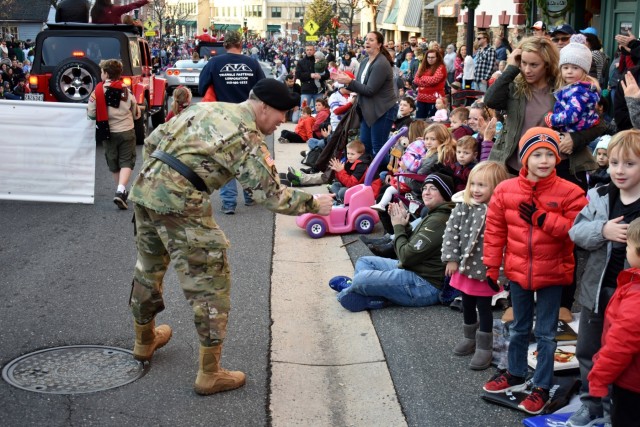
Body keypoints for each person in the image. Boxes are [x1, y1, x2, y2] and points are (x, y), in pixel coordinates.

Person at [126, 78, 333, 396]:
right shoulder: (247, 136)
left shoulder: (208, 108)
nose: (282, 122)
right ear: (263, 106)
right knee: (210, 284)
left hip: (146, 188)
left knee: (148, 267)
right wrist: (314, 204)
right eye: (281, 113)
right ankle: (210, 374)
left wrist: (159, 180)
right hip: (182, 201)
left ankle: (144, 340)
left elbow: (154, 141)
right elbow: (269, 195)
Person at [482, 128, 587, 415]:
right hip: (518, 272)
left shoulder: (570, 192)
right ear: (524, 158)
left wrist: (543, 218)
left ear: (557, 158)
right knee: (518, 328)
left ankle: (541, 384)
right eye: (536, 154)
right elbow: (494, 231)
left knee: (546, 334)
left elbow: (577, 231)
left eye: (549, 155)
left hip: (553, 273)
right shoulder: (505, 190)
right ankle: (515, 373)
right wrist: (492, 265)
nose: (544, 161)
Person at [568, 129, 640, 427]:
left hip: (632, 296)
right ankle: (591, 402)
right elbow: (575, 232)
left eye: (629, 163)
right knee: (588, 349)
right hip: (597, 290)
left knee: (622, 353)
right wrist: (602, 231)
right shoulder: (599, 195)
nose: (619, 170)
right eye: (613, 163)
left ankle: (615, 407)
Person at [330, 172, 456, 312]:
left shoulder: (439, 220)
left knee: (362, 279)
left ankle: (349, 289)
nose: (426, 192)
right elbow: (412, 247)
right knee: (364, 262)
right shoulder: (435, 213)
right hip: (414, 270)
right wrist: (405, 226)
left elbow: (405, 257)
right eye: (425, 188)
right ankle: (373, 297)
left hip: (424, 285)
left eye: (433, 188)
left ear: (445, 193)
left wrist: (398, 227)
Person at [443, 161, 508, 370]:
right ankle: (469, 336)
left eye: (482, 186)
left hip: (487, 270)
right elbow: (451, 233)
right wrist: (451, 258)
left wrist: (501, 271)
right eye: (473, 184)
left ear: (496, 188)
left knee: (485, 307)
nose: (475, 190)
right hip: (464, 267)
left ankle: (484, 346)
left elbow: (506, 244)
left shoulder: (500, 212)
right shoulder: (463, 207)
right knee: (467, 303)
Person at [199, 30, 265, 215]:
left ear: (224, 45)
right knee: (247, 157)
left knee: (226, 159)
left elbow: (202, 86)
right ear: (241, 44)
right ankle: (250, 194)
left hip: (223, 118)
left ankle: (229, 203)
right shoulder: (252, 63)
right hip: (248, 117)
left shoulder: (214, 63)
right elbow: (263, 87)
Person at [588, 216, 640, 427]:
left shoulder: (635, 298)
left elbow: (620, 344)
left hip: (631, 385)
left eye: (628, 246)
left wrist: (598, 378)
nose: (626, 251)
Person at [87, 59, 141, 210]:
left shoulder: (97, 91)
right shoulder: (126, 90)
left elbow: (91, 114)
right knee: (126, 160)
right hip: (126, 130)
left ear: (105, 73)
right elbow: (136, 114)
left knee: (114, 162)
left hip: (107, 131)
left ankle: (120, 190)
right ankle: (121, 190)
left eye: (101, 72)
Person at [335, 31, 398, 157]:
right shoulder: (364, 61)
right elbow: (359, 85)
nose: (367, 42)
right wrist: (346, 81)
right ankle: (365, 175)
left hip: (382, 110)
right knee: (364, 146)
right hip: (367, 110)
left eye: (371, 40)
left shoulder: (381, 63)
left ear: (379, 44)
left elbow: (370, 90)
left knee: (378, 148)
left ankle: (383, 174)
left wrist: (350, 82)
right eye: (366, 39)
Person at [371, 121, 433, 212]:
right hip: (401, 175)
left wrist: (402, 169)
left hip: (408, 181)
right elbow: (397, 162)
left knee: (386, 189)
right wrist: (390, 173)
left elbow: (410, 167)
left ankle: (380, 205)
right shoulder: (411, 146)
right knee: (383, 179)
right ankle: (378, 204)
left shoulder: (417, 148)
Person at [544, 35, 600, 134]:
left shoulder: (578, 91)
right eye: (565, 68)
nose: (569, 71)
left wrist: (552, 118)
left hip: (571, 131)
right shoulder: (577, 88)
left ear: (584, 70)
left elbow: (572, 115)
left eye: (575, 68)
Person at [413, 49, 447, 119]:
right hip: (421, 99)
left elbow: (434, 80)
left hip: (435, 101)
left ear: (437, 58)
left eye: (432, 57)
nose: (430, 59)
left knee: (432, 123)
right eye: (428, 57)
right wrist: (428, 81)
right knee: (419, 121)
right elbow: (416, 80)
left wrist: (422, 78)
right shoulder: (422, 67)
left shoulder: (441, 67)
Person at [296, 44, 329, 113]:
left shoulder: (320, 61)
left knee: (319, 112)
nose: (309, 51)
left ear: (314, 51)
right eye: (307, 50)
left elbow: (327, 75)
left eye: (311, 50)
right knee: (304, 111)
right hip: (306, 89)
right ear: (305, 51)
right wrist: (310, 75)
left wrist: (321, 76)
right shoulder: (301, 62)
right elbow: (298, 75)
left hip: (318, 90)